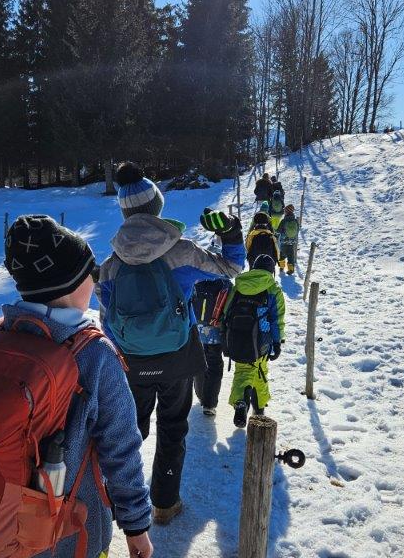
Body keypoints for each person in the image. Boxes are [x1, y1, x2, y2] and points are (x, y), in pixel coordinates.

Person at [0, 215, 153, 558]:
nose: (95, 283)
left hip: (4, 536)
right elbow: (121, 450)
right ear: (70, 286)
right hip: (71, 537)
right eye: (90, 275)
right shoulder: (94, 355)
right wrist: (136, 525)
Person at [98, 162, 244, 525]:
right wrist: (231, 232)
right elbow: (232, 268)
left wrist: (124, 353)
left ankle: (119, 502)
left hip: (132, 361)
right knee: (173, 427)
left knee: (129, 431)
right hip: (177, 356)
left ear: (126, 213)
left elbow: (107, 319)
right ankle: (164, 504)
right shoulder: (182, 251)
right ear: (157, 206)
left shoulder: (111, 264)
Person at [221, 254, 286, 428]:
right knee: (260, 370)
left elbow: (226, 312)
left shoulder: (240, 284)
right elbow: (277, 319)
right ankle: (254, 405)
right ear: (272, 271)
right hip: (262, 340)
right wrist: (277, 342)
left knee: (245, 370)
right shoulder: (273, 289)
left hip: (237, 336)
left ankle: (247, 404)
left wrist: (225, 337)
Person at [191, 278, 232, 416]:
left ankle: (200, 394)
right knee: (214, 367)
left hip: (196, 331)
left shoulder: (196, 280)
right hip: (215, 333)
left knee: (199, 362)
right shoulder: (225, 284)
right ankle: (209, 404)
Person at [277, 204, 299, 275]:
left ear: (286, 212)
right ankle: (291, 270)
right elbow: (297, 230)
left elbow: (278, 230)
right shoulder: (295, 221)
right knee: (291, 256)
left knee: (282, 255)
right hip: (292, 242)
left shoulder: (284, 221)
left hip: (284, 242)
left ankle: (281, 267)